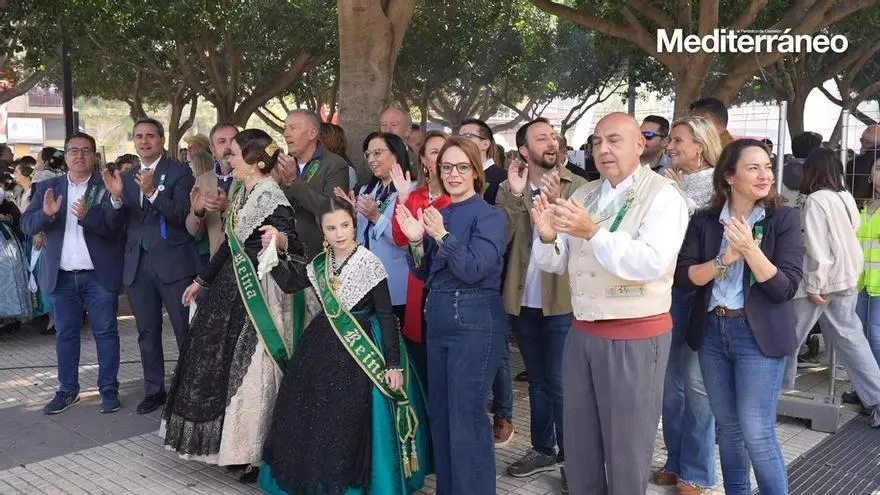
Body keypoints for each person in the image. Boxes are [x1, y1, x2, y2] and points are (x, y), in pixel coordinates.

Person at [530, 112, 688, 495]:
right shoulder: (584, 194)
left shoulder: (663, 195)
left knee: (626, 450)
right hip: (583, 330)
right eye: (596, 142)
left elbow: (650, 262)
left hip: (633, 334)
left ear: (640, 145)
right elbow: (556, 261)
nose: (603, 149)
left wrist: (594, 233)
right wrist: (548, 236)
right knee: (581, 446)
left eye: (614, 140)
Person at [259, 197, 430, 495]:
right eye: (331, 228)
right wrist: (272, 252)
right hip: (321, 345)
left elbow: (387, 316)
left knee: (349, 418)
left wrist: (392, 363)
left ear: (354, 224)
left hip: (360, 348)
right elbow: (289, 284)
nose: (339, 233)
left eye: (345, 226)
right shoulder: (320, 264)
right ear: (322, 231)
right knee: (315, 414)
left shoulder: (369, 263)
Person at [161, 129, 302, 480]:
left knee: (255, 373)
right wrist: (201, 280)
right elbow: (229, 245)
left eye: (235, 155)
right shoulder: (244, 192)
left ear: (254, 162)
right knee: (223, 368)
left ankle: (256, 452)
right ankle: (235, 447)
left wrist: (281, 239)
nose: (229, 159)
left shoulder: (272, 197)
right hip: (231, 289)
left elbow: (294, 243)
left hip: (260, 296)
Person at [675, 139, 804, 495]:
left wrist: (749, 250)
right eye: (753, 168)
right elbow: (684, 279)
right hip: (713, 332)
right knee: (729, 429)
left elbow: (785, 288)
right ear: (729, 176)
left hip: (757, 336)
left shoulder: (783, 219)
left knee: (756, 430)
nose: (765, 175)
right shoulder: (704, 221)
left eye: (767, 166)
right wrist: (723, 260)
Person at [397, 136, 508, 494]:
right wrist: (416, 240)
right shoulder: (438, 214)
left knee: (466, 418)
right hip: (440, 315)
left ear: (476, 171)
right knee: (442, 417)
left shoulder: (490, 216)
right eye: (447, 167)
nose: (454, 174)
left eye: (462, 167)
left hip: (475, 318)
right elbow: (423, 272)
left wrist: (442, 236)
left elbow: (474, 269)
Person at [498, 118, 587, 492]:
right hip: (523, 301)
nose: (551, 143)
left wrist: (554, 203)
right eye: (541, 138)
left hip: (562, 301)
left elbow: (577, 239)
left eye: (553, 137)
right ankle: (542, 448)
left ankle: (572, 459)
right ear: (523, 150)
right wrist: (520, 198)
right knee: (537, 381)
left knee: (562, 382)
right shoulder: (507, 187)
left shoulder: (580, 186)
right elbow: (504, 236)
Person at [102, 117, 201, 415]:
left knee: (185, 330)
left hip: (173, 263)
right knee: (147, 332)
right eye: (139, 136)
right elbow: (116, 224)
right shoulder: (128, 176)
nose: (144, 141)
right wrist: (117, 199)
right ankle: (154, 390)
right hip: (138, 267)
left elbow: (180, 214)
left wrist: (152, 193)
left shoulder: (179, 171)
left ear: (161, 140)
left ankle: (190, 390)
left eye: (150, 136)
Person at [20, 132, 124, 414]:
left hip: (98, 276)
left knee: (106, 333)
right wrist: (47, 215)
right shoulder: (48, 187)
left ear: (94, 156)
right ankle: (68, 391)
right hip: (62, 276)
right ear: (65, 156)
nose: (79, 155)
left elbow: (117, 228)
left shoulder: (106, 186)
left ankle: (109, 390)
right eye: (73, 150)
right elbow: (27, 224)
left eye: (86, 150)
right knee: (66, 335)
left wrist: (115, 201)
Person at [783, 148, 880, 426]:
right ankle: (876, 399)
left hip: (820, 282)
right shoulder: (846, 197)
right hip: (847, 278)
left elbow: (816, 247)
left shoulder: (815, 200)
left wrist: (814, 284)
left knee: (790, 340)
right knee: (852, 340)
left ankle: (780, 394)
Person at [655, 115, 722, 494]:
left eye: (678, 140)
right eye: (670, 141)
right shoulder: (668, 178)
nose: (670, 146)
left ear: (700, 144)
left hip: (700, 293)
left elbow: (700, 229)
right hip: (668, 288)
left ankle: (697, 471)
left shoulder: (717, 184)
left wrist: (675, 194)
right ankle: (674, 460)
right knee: (670, 383)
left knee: (696, 385)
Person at [390, 130, 450, 385]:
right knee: (422, 367)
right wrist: (403, 198)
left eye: (446, 151)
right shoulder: (415, 196)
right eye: (435, 153)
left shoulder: (459, 198)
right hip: (418, 288)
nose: (441, 159)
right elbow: (400, 239)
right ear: (424, 160)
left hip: (448, 287)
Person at [348, 132, 411, 323]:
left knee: (395, 341)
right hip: (362, 280)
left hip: (394, 282)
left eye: (377, 153)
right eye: (368, 154)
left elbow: (405, 242)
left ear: (396, 154)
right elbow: (360, 235)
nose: (371, 160)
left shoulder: (410, 191)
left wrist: (376, 216)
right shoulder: (367, 190)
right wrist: (350, 215)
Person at [276, 110, 350, 258]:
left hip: (318, 255)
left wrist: (293, 182)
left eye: (293, 128)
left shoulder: (334, 164)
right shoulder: (287, 164)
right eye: (285, 128)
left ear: (312, 133)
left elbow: (331, 211)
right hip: (286, 253)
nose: (286, 133)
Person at [186, 123, 237, 261]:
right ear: (213, 150)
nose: (229, 147)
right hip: (216, 263)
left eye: (234, 141)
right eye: (221, 142)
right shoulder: (203, 180)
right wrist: (198, 212)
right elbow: (194, 231)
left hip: (248, 265)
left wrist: (227, 208)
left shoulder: (253, 176)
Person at [458, 118, 506, 205]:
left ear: (485, 144)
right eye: (459, 137)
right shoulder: (456, 176)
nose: (460, 142)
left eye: (468, 136)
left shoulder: (503, 179)